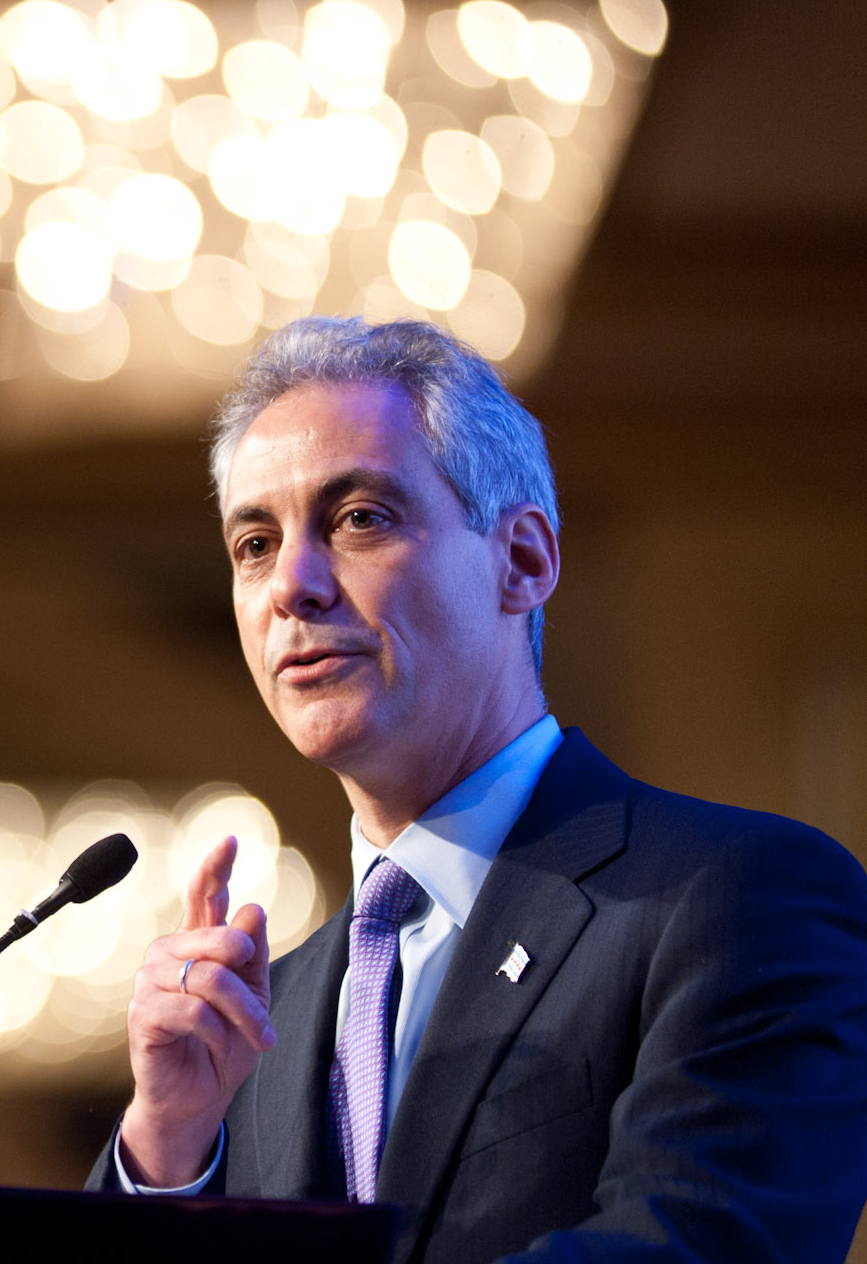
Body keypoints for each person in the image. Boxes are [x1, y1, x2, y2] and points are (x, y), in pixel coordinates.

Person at [86, 316, 867, 1263]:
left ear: (524, 560)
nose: (291, 582)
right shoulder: (255, 1022)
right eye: (254, 543)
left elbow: (694, 1245)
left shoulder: (740, 897)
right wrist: (167, 1153)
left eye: (359, 518)